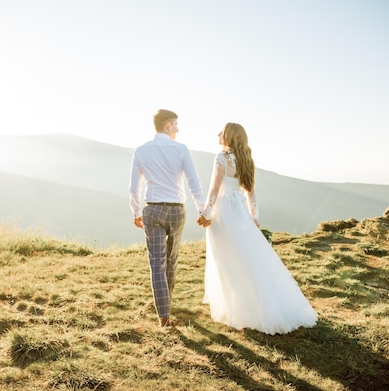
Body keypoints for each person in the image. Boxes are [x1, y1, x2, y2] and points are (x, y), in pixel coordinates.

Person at [201, 123, 317, 334]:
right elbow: (250, 194)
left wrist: (206, 214)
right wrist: (254, 217)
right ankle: (252, 307)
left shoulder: (221, 157)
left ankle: (238, 310)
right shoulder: (247, 160)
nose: (217, 134)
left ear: (229, 136)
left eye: (221, 131)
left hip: (224, 212)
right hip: (241, 213)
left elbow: (214, 190)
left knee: (226, 261)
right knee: (247, 259)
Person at [129, 109, 209, 329]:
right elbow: (194, 181)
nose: (178, 129)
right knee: (171, 259)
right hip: (176, 210)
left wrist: (136, 212)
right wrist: (203, 210)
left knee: (157, 262)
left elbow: (133, 187)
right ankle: (166, 304)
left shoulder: (141, 151)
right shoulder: (181, 149)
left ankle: (163, 316)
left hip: (152, 210)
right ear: (168, 126)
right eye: (176, 125)